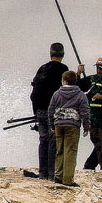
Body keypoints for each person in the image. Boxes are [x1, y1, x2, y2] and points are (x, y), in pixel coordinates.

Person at [29, 42, 80, 181]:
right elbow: (70, 88)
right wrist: (78, 74)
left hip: (40, 110)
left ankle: (43, 173)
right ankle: (52, 175)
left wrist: (36, 113)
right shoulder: (63, 69)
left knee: (43, 140)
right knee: (53, 142)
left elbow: (34, 94)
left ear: (50, 53)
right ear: (63, 54)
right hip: (54, 112)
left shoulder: (42, 68)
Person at [48, 70, 90, 187]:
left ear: (64, 81)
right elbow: (85, 112)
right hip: (72, 125)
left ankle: (58, 176)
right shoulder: (80, 95)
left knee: (59, 150)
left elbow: (51, 110)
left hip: (58, 124)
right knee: (70, 151)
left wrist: (52, 124)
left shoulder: (56, 94)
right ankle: (67, 179)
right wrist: (86, 127)